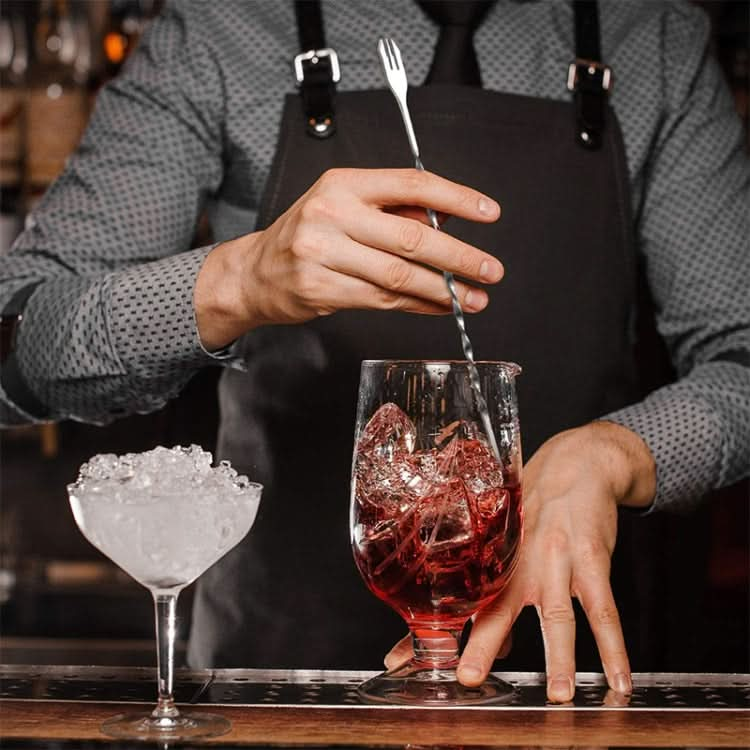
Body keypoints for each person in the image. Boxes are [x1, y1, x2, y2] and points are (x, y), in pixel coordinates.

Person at [1, 0, 748, 704]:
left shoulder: (649, 32)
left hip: (569, 680)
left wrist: (617, 452)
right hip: (279, 682)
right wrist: (239, 278)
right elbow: (16, 348)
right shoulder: (224, 24)